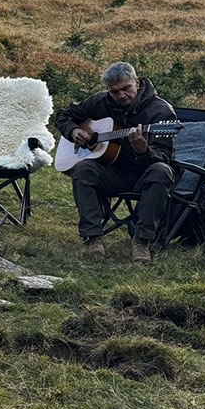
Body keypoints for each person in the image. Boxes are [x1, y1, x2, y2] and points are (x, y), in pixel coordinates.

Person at [54, 62, 176, 263]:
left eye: (126, 88)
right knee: (83, 169)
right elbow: (63, 115)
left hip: (143, 176)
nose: (121, 95)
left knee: (162, 171)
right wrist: (73, 131)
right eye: (114, 92)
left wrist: (143, 150)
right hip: (111, 173)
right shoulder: (100, 102)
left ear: (137, 82)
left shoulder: (161, 112)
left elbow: (164, 156)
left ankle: (142, 241)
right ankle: (93, 237)